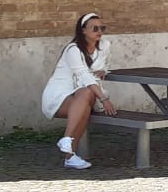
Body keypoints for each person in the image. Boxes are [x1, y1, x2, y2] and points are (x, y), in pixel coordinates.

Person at [41, 12, 117, 170]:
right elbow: (83, 76)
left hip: (81, 96)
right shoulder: (73, 50)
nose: (99, 31)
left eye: (101, 28)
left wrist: (104, 70)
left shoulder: (105, 46)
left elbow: (104, 65)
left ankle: (70, 156)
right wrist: (104, 99)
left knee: (85, 104)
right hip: (59, 96)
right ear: (83, 31)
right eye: (94, 28)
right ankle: (67, 139)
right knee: (86, 94)